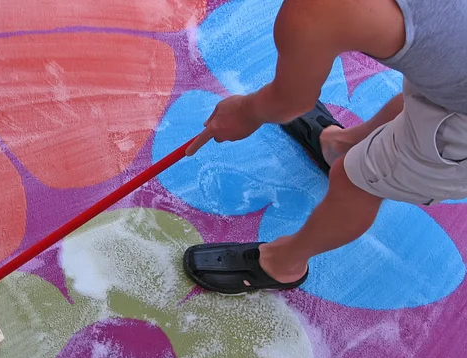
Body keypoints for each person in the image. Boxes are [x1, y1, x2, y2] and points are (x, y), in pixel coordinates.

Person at [182, 0, 467, 295]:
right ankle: (340, 146)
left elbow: (288, 104)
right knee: (420, 95)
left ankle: (283, 264)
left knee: (355, 184)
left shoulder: (319, 9)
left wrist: (245, 111)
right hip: (454, 87)